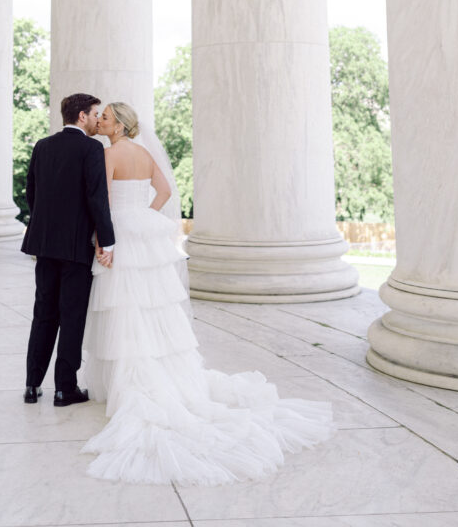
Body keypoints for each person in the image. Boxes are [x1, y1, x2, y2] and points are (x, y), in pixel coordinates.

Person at [81, 101, 335, 485]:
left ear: (118, 126)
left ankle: (129, 380)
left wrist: (111, 229)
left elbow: (101, 200)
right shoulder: (144, 153)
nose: (101, 121)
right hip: (143, 232)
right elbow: (164, 191)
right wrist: (143, 214)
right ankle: (162, 371)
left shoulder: (109, 154)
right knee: (154, 306)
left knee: (125, 305)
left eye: (106, 117)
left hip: (120, 232)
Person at [21, 93, 115, 407]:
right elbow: (96, 198)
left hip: (44, 245)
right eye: (95, 113)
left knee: (43, 315)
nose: (97, 119)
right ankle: (64, 389)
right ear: (82, 116)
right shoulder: (92, 148)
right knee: (71, 317)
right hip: (75, 247)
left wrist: (45, 228)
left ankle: (32, 386)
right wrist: (108, 240)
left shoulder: (42, 146)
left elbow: (30, 192)